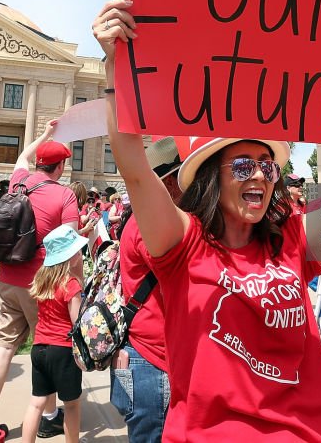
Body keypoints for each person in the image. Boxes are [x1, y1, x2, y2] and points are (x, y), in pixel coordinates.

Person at [92, 0, 321, 441]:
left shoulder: (293, 241)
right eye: (243, 165)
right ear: (212, 177)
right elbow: (134, 167)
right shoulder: (183, 244)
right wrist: (116, 68)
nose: (260, 175)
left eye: (267, 166)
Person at [0, 121, 80, 440]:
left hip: (7, 277)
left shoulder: (19, 181)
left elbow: (22, 156)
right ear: (62, 165)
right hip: (43, 285)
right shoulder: (64, 195)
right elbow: (70, 247)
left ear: (39, 162)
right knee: (47, 346)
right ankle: (50, 416)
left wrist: (44, 136)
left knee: (5, 346)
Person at [110, 136, 182, 442]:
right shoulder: (152, 225)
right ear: (170, 184)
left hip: (147, 356)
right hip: (154, 362)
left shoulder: (145, 218)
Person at [21, 226, 87, 443]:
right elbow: (76, 322)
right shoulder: (71, 284)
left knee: (36, 403)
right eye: (77, 250)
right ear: (69, 256)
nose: (80, 254)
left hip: (39, 348)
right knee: (72, 405)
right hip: (63, 351)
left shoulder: (42, 280)